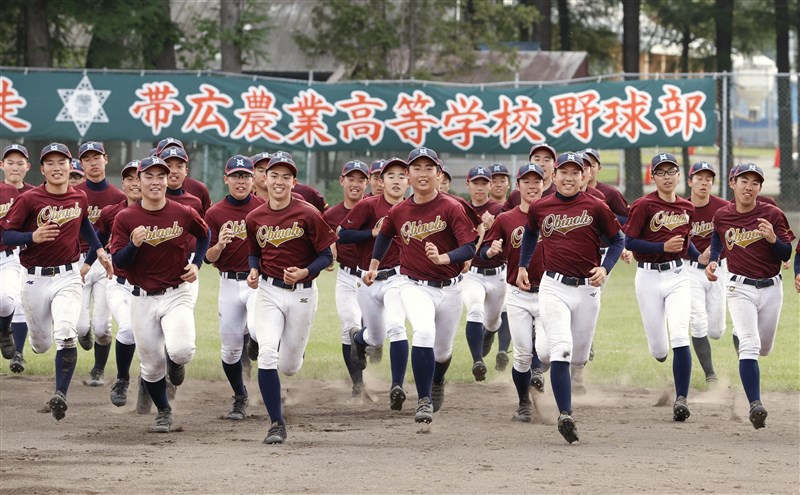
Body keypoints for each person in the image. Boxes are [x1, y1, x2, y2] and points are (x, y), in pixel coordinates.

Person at [362, 146, 478, 424]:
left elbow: (470, 246)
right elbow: (385, 235)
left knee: (443, 351)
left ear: (439, 174)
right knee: (423, 332)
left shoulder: (451, 206)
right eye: (417, 168)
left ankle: (437, 381)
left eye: (429, 168)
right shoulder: (400, 210)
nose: (423, 174)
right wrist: (375, 264)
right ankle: (424, 399)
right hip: (412, 284)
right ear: (408, 175)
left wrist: (445, 257)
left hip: (450, 287)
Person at [516, 152, 624, 443]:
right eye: (563, 171)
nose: (568, 177)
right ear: (554, 175)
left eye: (575, 172)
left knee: (576, 356)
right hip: (554, 286)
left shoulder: (596, 206)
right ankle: (566, 414)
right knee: (561, 349)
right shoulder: (541, 207)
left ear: (584, 176)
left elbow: (617, 240)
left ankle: (564, 365)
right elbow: (529, 235)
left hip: (588, 289)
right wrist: (523, 265)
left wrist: (606, 266)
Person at [1, 143, 113, 421]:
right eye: (50, 163)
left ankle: (60, 394)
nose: (57, 167)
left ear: (69, 165)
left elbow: (84, 222)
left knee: (66, 332)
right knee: (41, 345)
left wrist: (98, 249)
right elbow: (8, 235)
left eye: (61, 161)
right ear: (41, 169)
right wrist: (31, 238)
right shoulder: (29, 199)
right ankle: (31, 343)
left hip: (68, 275)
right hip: (34, 278)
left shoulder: (79, 196)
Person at [109, 155, 210, 433]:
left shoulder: (183, 212)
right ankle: (164, 411)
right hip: (141, 297)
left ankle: (176, 363)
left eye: (161, 176)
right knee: (151, 367)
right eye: (149, 176)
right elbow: (119, 262)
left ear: (168, 181)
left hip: (177, 291)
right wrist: (133, 245)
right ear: (138, 181)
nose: (156, 182)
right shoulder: (126, 217)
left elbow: (204, 234)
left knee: (182, 349)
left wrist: (197, 263)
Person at [245, 153, 337, 444]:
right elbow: (254, 251)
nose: (279, 181)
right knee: (268, 354)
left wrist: (305, 271)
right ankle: (276, 423)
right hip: (269, 292)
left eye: (286, 176)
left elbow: (327, 255)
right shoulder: (254, 217)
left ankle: (295, 350)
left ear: (294, 181)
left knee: (289, 366)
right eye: (274, 175)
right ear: (265, 179)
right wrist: (253, 269)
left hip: (303, 294)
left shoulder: (308, 213)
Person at [706, 163, 794, 430]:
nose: (749, 186)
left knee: (764, 348)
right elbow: (718, 240)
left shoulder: (773, 214)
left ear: (760, 188)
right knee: (750, 344)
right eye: (744, 180)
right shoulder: (722, 215)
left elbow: (786, 254)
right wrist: (713, 260)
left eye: (755, 182)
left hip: (772, 288)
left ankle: (742, 336)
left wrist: (772, 240)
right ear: (732, 183)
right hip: (739, 287)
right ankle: (756, 404)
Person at [623, 152, 699, 423]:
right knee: (659, 349)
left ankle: (681, 399)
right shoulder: (644, 205)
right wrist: (660, 247)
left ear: (680, 175)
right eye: (661, 172)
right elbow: (629, 242)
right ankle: (661, 353)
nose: (667, 177)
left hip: (678, 274)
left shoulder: (687, 207)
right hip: (648, 277)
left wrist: (700, 257)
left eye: (672, 171)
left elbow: (684, 241)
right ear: (653, 177)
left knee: (680, 335)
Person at [341, 157, 410, 410]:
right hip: (367, 279)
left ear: (408, 181)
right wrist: (370, 233)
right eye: (389, 176)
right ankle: (358, 340)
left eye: (401, 176)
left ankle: (397, 387)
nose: (395, 180)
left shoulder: (415, 209)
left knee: (397, 327)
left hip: (399, 278)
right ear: (381, 181)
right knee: (375, 336)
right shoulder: (368, 206)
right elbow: (343, 234)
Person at [481, 162, 547, 422]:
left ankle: (539, 371)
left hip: (549, 291)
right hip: (518, 294)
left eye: (537, 181)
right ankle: (523, 403)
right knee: (521, 356)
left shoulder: (553, 215)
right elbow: (485, 250)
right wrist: (491, 250)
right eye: (527, 181)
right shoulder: (506, 219)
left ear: (544, 184)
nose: (532, 185)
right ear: (518, 186)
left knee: (545, 351)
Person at [205, 155, 263, 420]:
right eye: (236, 176)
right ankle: (240, 396)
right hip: (228, 282)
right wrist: (219, 245)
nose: (241, 181)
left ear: (253, 180)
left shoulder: (264, 207)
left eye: (246, 176)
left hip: (257, 282)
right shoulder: (215, 213)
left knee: (259, 331)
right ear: (226, 179)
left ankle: (254, 337)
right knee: (230, 350)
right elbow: (208, 258)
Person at [75, 141, 127, 387]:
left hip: (104, 261)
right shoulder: (74, 193)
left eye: (97, 157)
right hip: (77, 259)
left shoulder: (118, 197)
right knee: (80, 324)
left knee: (103, 327)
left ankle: (98, 369)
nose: (93, 162)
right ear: (81, 163)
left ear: (106, 159)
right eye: (87, 159)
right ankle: (82, 332)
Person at [94, 160, 142, 408]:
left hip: (150, 286)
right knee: (127, 329)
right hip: (119, 283)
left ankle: (150, 379)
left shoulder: (163, 213)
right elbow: (98, 239)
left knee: (154, 341)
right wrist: (93, 258)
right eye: (130, 178)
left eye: (139, 177)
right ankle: (122, 379)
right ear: (122, 183)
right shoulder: (111, 213)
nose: (135, 183)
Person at [322, 159, 370, 397]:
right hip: (347, 276)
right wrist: (326, 253)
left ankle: (367, 347)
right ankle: (358, 384)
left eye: (361, 179)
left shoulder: (374, 208)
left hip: (374, 279)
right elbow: (318, 242)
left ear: (368, 183)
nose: (356, 183)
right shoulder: (331, 214)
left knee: (375, 333)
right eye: (351, 178)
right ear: (342, 181)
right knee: (349, 326)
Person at [685, 161, 730, 384]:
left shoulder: (723, 208)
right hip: (690, 270)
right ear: (690, 181)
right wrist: (695, 255)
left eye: (708, 179)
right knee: (698, 321)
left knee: (716, 330)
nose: (704, 182)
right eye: (699, 178)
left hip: (720, 270)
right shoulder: (681, 209)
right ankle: (710, 375)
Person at [460, 165, 506, 380]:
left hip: (498, 274)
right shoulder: (461, 210)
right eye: (475, 182)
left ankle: (490, 333)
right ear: (468, 184)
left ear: (490, 185)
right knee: (475, 310)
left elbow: (510, 239)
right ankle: (477, 361)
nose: (480, 187)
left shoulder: (499, 210)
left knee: (493, 321)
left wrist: (494, 225)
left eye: (484, 183)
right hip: (472, 273)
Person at [1, 144, 34, 370]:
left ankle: (9, 338)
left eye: (20, 162)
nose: (15, 167)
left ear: (28, 167)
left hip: (14, 257)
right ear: (1, 165)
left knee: (10, 301)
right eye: (10, 162)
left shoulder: (35, 194)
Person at [156, 138, 212, 214]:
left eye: (179, 166)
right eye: (168, 165)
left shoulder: (198, 190)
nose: (174, 171)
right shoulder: (150, 192)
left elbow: (206, 220)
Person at [502, 143, 557, 211]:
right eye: (537, 159)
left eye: (546, 160)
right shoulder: (516, 195)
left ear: (554, 164)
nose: (541, 164)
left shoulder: (559, 193)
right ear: (530, 162)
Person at [582, 148, 629, 224]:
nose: (589, 170)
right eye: (584, 166)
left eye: (592, 165)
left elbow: (628, 218)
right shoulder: (567, 193)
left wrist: (609, 218)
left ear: (599, 168)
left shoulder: (610, 192)